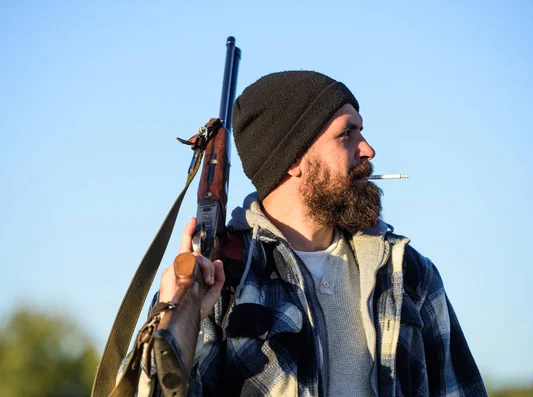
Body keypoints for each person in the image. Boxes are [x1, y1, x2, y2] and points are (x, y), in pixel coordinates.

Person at [157, 71, 488, 396]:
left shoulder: (408, 273)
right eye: (347, 134)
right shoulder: (222, 276)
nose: (368, 149)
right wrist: (179, 318)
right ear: (294, 159)